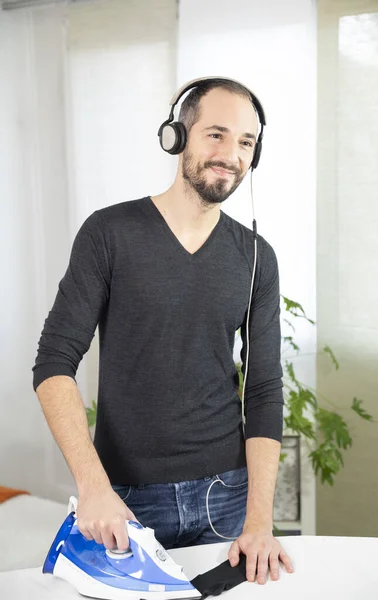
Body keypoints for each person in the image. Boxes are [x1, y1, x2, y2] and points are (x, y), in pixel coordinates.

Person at [33, 77, 294, 585]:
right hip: (126, 498)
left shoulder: (257, 257)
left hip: (229, 495)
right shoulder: (109, 234)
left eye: (246, 143)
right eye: (216, 134)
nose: (231, 155)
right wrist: (93, 486)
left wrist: (259, 520)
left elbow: (263, 390)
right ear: (177, 136)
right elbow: (54, 363)